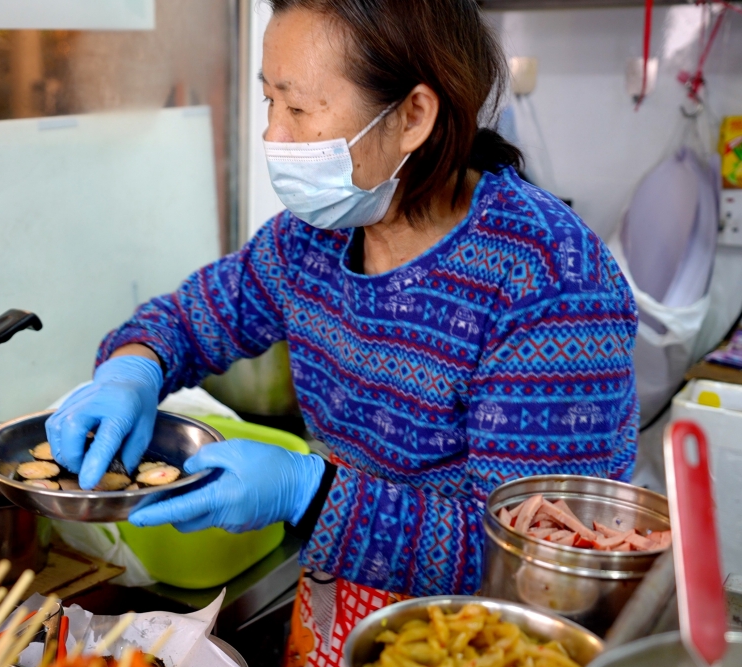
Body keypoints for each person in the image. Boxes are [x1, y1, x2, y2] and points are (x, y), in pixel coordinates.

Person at [46, 0, 639, 663]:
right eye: (269, 101)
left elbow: (530, 568)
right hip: (335, 618)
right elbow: (186, 318)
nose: (274, 134)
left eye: (299, 110)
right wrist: (134, 367)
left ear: (413, 115)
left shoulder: (547, 277)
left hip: (488, 642)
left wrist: (308, 492)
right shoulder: (313, 241)